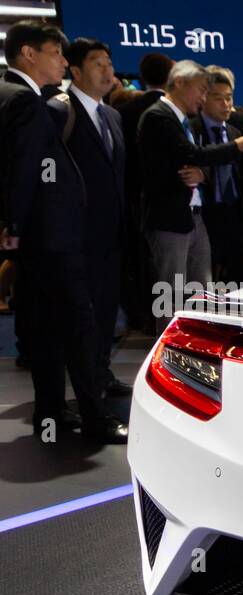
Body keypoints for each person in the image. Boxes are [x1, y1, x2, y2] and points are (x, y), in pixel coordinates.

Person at [1, 21, 125, 442]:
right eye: (56, 53)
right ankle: (96, 419)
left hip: (39, 240)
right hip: (52, 238)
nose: (62, 62)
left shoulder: (12, 95)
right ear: (29, 55)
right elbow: (23, 173)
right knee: (78, 326)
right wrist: (13, 227)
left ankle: (51, 414)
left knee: (45, 328)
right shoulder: (27, 101)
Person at [139, 59, 243, 329]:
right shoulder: (158, 116)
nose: (203, 97)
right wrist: (235, 148)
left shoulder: (178, 118)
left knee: (202, 288)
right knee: (172, 292)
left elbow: (191, 161)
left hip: (193, 216)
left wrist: (201, 174)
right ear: (180, 83)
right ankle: (168, 349)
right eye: (201, 90)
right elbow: (188, 154)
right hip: (170, 217)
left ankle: (200, 341)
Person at [48, 37, 130, 397]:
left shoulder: (112, 115)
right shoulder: (60, 111)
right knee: (82, 316)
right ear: (76, 70)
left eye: (109, 62)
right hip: (77, 236)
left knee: (107, 309)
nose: (107, 69)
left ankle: (101, 371)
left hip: (112, 235)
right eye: (98, 63)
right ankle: (86, 387)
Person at [117, 51, 173, 330]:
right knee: (167, 266)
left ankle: (144, 317)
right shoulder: (171, 110)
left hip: (133, 196)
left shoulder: (124, 112)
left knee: (142, 260)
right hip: (168, 200)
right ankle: (164, 322)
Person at [191, 66, 243, 284]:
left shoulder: (237, 131)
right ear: (203, 98)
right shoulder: (191, 130)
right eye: (218, 98)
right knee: (202, 285)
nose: (226, 104)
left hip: (236, 217)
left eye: (229, 98)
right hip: (204, 218)